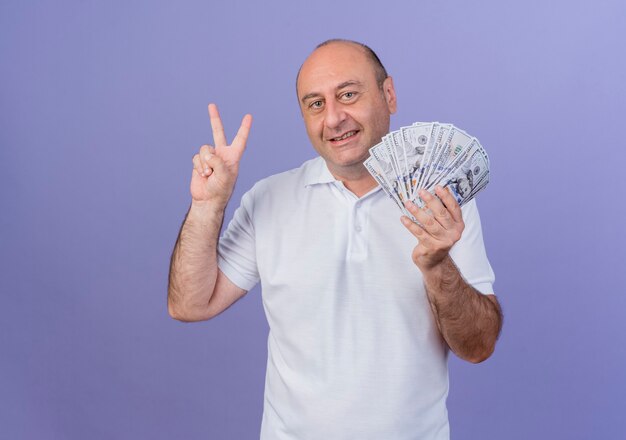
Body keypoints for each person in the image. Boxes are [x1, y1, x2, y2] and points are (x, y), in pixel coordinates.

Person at [168, 39, 503, 440]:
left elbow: (478, 346)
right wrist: (207, 206)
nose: (333, 118)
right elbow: (189, 304)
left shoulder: (444, 204)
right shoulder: (269, 199)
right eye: (315, 104)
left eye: (348, 94)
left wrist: (437, 265)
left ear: (389, 95)